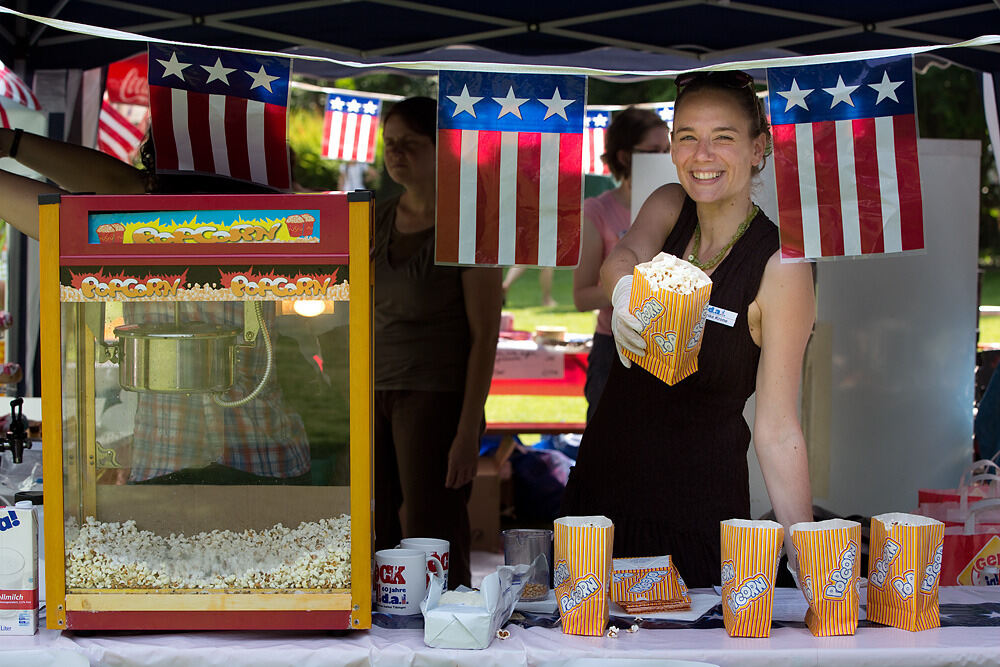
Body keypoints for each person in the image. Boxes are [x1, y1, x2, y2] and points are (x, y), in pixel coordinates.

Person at [560, 71, 815, 587]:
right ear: (673, 148)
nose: (703, 154)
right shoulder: (669, 204)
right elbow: (623, 256)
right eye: (687, 137)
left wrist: (809, 558)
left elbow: (777, 428)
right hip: (601, 497)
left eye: (723, 137)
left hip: (694, 515)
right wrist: (625, 290)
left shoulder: (781, 265)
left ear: (758, 148)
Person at [0, 128, 310, 485]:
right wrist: (11, 143)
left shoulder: (142, 227)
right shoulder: (277, 226)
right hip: (247, 457)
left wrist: (12, 143)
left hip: (206, 461)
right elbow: (115, 188)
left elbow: (95, 201)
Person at [372, 97, 502, 589]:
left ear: (441, 151)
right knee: (377, 519)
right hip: (372, 392)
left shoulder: (467, 224)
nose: (396, 153)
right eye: (390, 144)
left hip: (437, 396)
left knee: (432, 526)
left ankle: (450, 627)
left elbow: (485, 332)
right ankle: (382, 626)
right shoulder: (375, 218)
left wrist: (469, 430)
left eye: (410, 143)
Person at [573, 107, 669, 422]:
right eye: (654, 152)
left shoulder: (684, 205)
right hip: (614, 347)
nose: (664, 160)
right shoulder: (598, 210)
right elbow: (582, 296)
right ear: (625, 156)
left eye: (668, 151)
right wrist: (632, 283)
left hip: (670, 344)